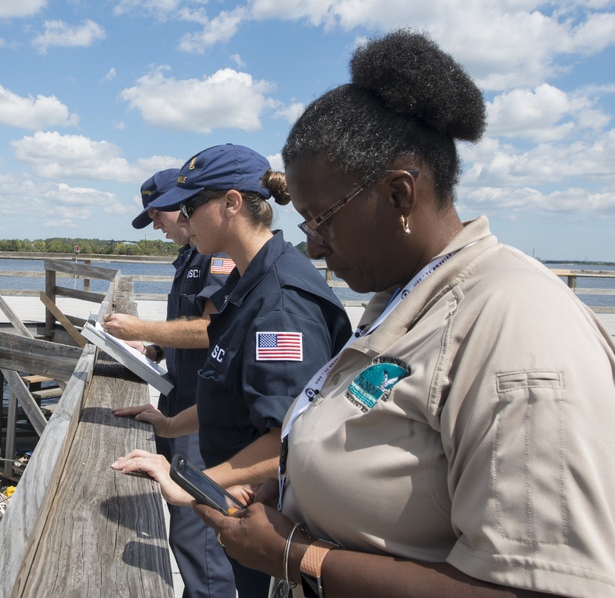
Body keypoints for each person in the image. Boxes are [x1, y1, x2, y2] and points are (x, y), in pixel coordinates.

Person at [193, 30, 615, 598]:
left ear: (399, 195)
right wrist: (298, 495)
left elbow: (540, 587)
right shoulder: (401, 300)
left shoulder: (516, 327)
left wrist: (300, 556)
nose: (312, 247)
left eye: (322, 220)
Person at [112, 144, 352, 598]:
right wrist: (168, 423)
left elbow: (292, 436)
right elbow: (230, 392)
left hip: (272, 514)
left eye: (190, 205)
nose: (182, 218)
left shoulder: (279, 303)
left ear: (231, 204)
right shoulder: (249, 283)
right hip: (245, 495)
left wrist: (196, 480)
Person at [103, 169, 237, 597]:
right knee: (184, 524)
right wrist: (155, 350)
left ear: (184, 207)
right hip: (179, 400)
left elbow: (211, 329)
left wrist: (143, 327)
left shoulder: (215, 257)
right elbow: (185, 330)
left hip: (202, 410)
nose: (156, 227)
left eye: (157, 216)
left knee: (197, 527)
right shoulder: (188, 256)